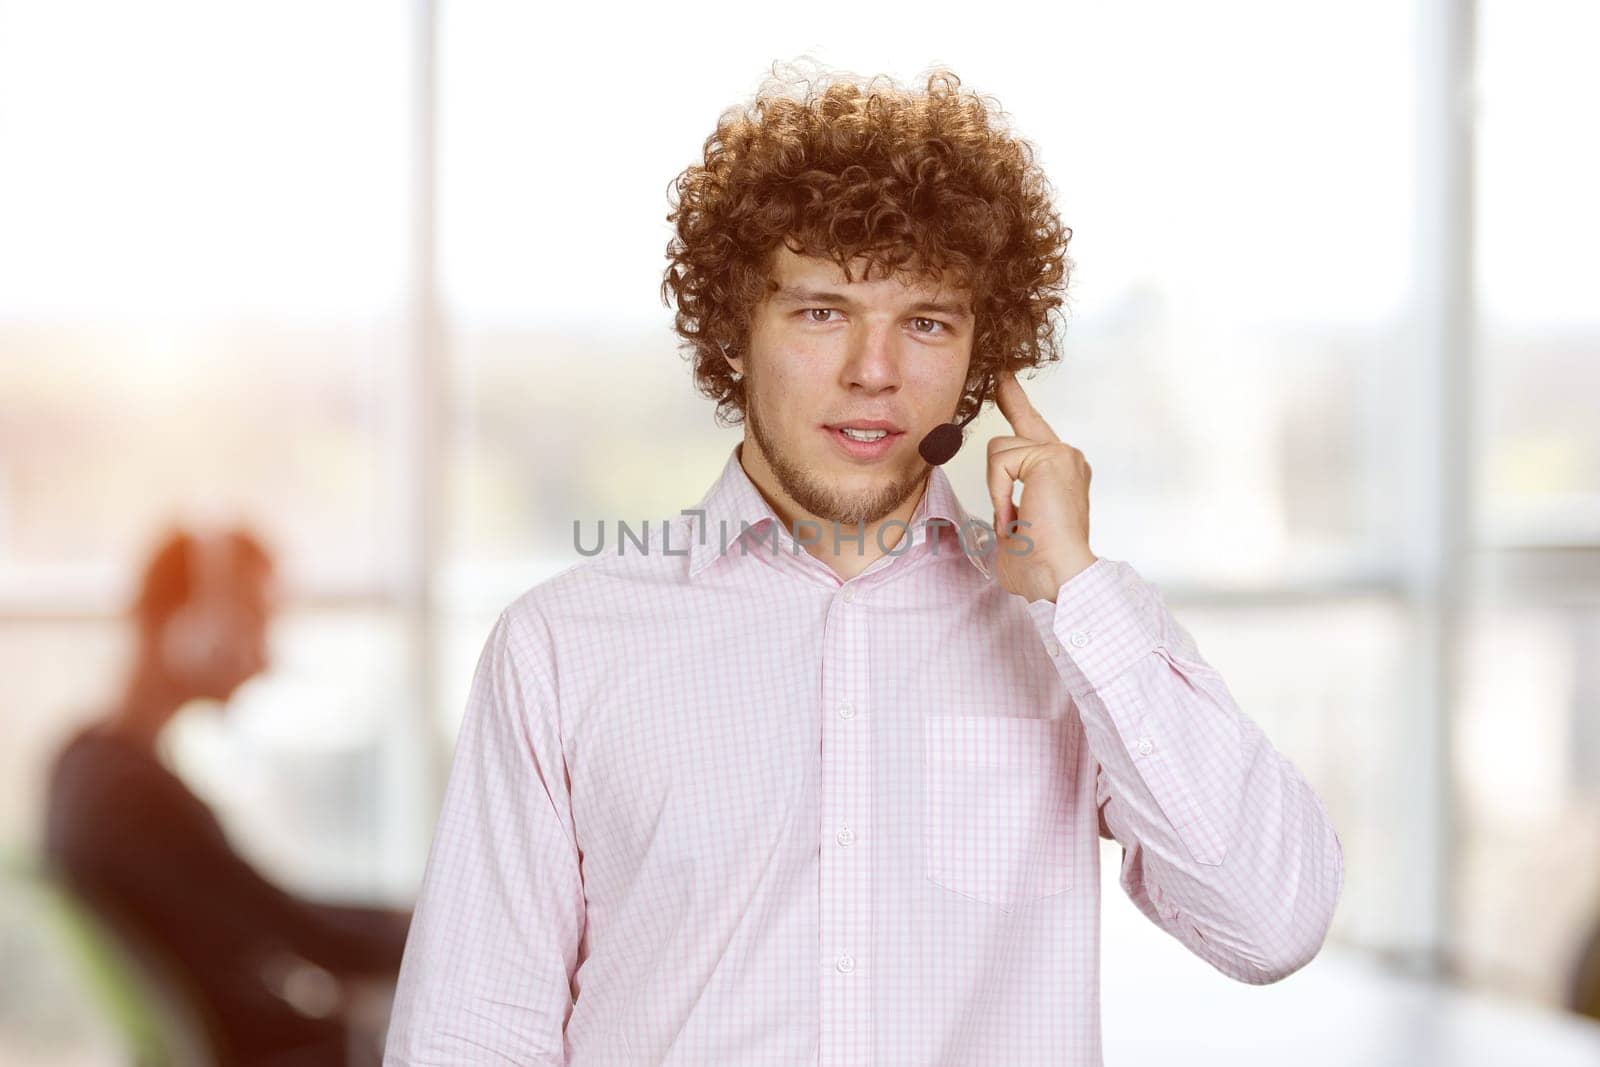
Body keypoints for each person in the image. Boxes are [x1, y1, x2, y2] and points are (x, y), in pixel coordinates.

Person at [384, 64, 1344, 1065]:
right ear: (732, 332)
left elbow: (1270, 921)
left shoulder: (1074, 636)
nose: (873, 371)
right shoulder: (561, 646)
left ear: (983, 360)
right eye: (820, 312)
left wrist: (1078, 587)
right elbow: (469, 1032)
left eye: (925, 321)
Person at [43, 526, 412, 1066]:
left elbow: (264, 918)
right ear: (192, 626)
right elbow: (296, 929)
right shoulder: (128, 796)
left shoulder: (84, 765)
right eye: (255, 621)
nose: (266, 657)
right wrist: (439, 927)